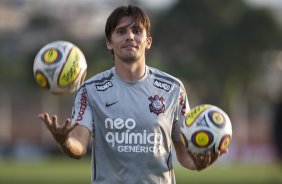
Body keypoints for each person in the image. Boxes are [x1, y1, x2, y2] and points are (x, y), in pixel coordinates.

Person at [38, 5, 226, 184]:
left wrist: (198, 163)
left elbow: (184, 155)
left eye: (137, 31)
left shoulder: (173, 89)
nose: (130, 36)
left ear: (148, 41)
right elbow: (78, 146)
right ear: (109, 43)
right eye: (121, 32)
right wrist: (64, 141)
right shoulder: (90, 90)